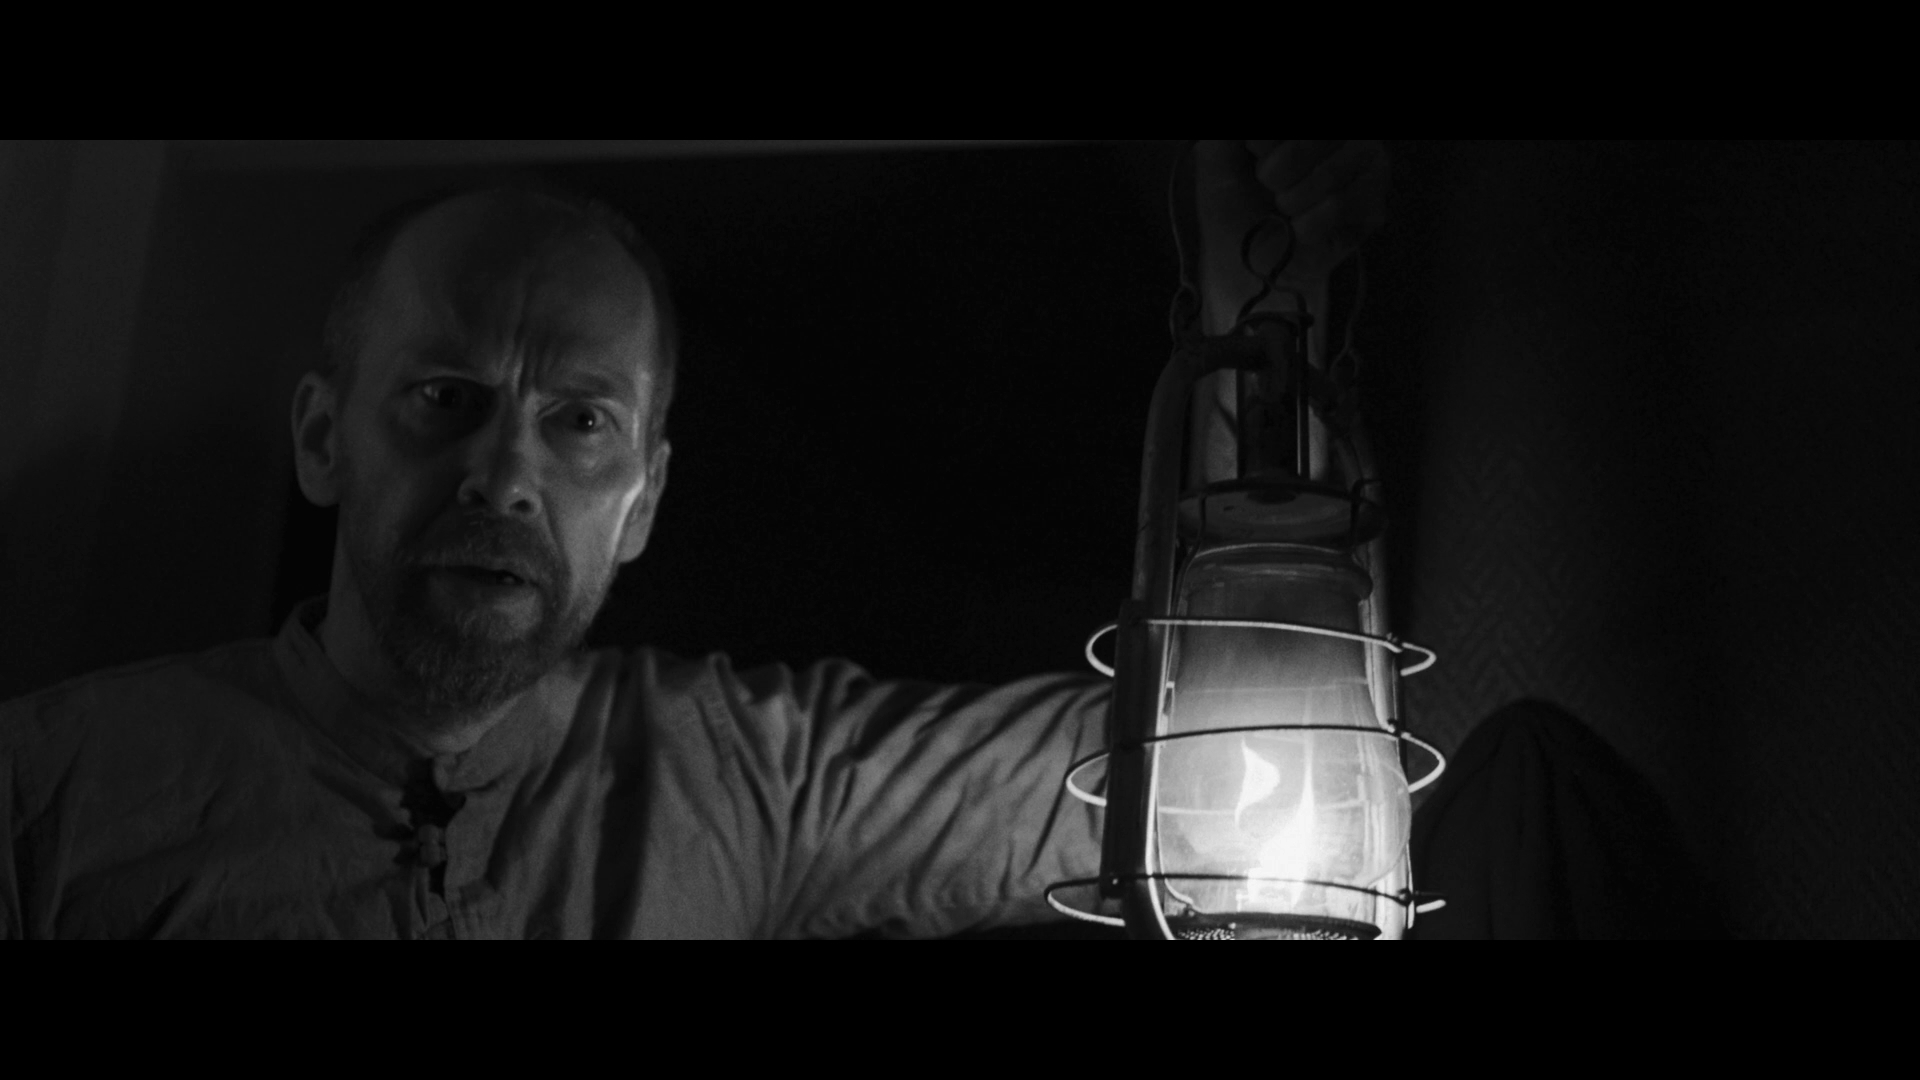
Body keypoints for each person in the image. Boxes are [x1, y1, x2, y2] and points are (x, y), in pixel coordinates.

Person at [1, 141, 1701, 938]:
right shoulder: (52, 794)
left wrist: (1269, 294)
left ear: (642, 500)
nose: (506, 473)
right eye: (446, 398)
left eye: (581, 423)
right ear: (324, 436)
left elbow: (1209, 763)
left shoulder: (742, 775)